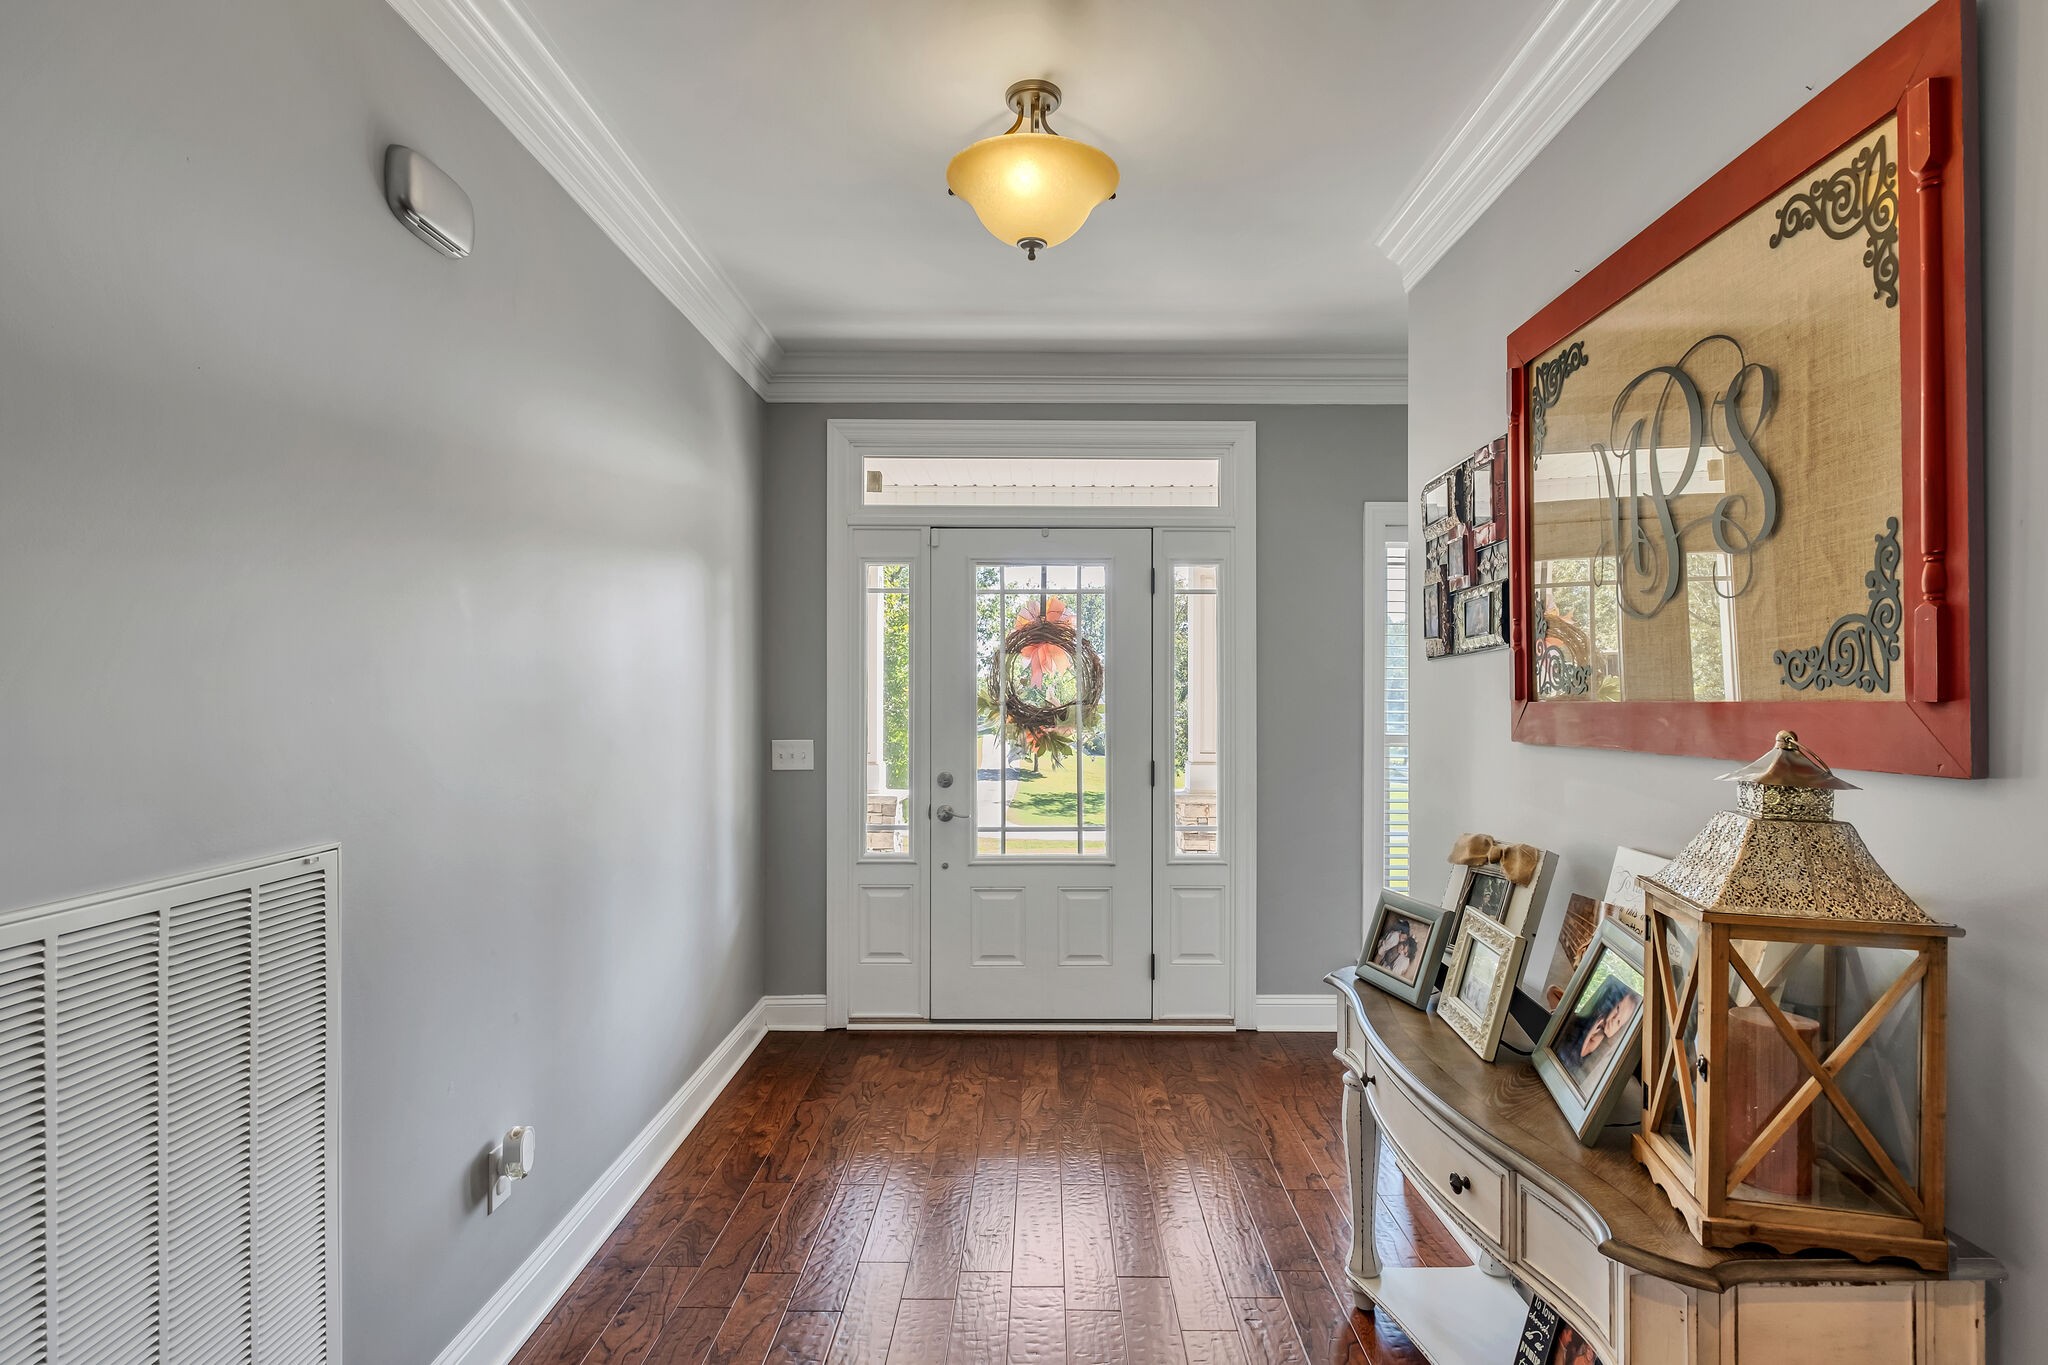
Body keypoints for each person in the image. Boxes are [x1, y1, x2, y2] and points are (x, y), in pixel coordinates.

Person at [1556, 968, 1640, 1093]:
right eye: (1617, 1009)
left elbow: (1583, 1051)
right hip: (1574, 1032)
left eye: (1618, 1022)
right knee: (1552, 991)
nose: (1614, 1018)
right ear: (1614, 1003)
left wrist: (1593, 1031)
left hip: (1572, 1057)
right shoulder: (1599, 1013)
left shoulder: (1600, 1036)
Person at [1372, 916, 1422, 984]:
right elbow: (1380, 954)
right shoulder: (1395, 938)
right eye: (1403, 947)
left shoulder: (1403, 959)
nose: (1401, 951)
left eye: (1404, 953)